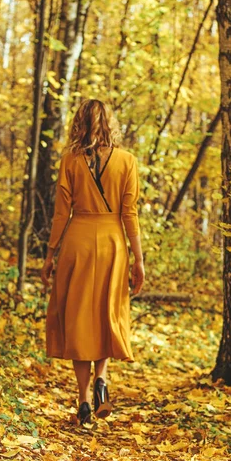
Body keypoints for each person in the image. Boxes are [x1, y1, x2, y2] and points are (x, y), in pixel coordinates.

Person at [41, 99, 145, 425]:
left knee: (79, 318)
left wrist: (50, 253)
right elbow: (130, 213)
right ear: (109, 124)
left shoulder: (70, 161)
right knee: (106, 313)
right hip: (114, 243)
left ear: (79, 123)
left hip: (78, 242)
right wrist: (138, 260)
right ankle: (102, 379)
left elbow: (61, 213)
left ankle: (83, 398)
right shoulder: (127, 161)